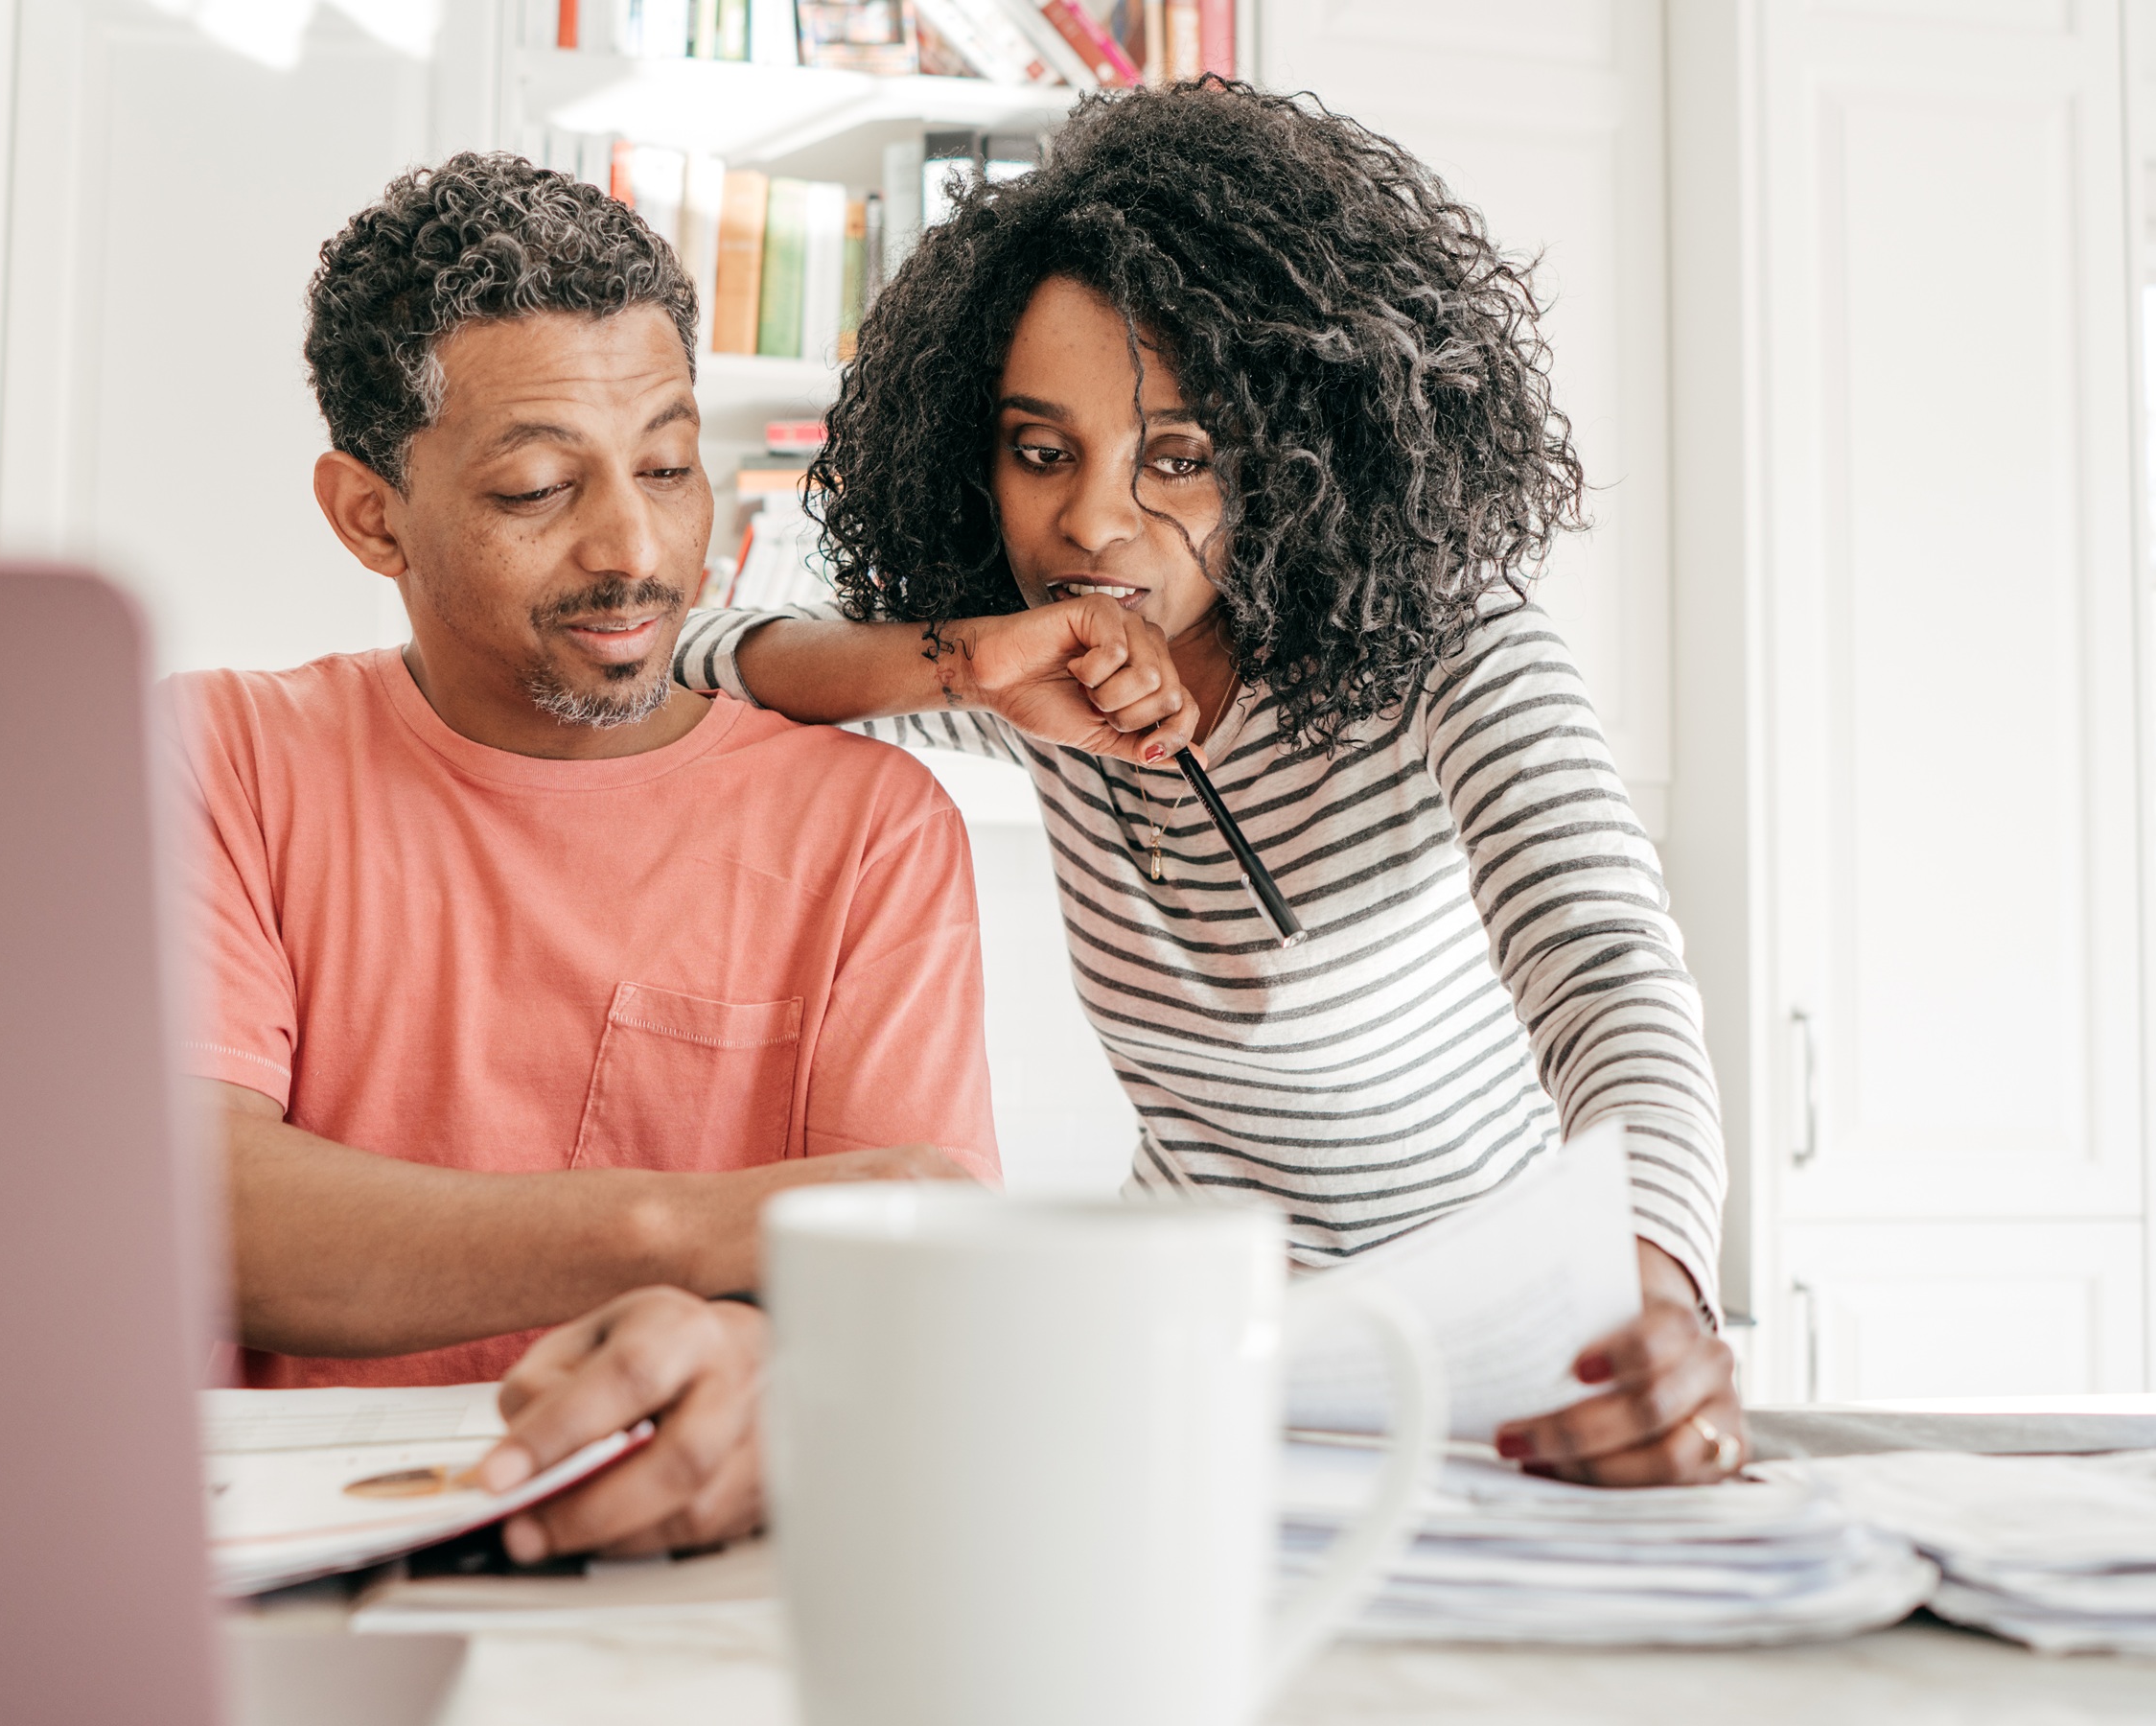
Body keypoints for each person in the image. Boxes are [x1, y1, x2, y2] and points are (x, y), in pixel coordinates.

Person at [673, 81, 1742, 1486]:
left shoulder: (1454, 652)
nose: (1091, 521)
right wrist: (973, 664)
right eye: (1038, 449)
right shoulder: (1044, 676)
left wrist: (1653, 1276)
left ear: (1301, 452)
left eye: (1177, 456)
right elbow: (698, 651)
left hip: (1490, 1357)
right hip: (1196, 1358)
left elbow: (1609, 970)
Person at [172, 154, 994, 1552]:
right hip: (279, 1561)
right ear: (372, 514)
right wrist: (686, 1232)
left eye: (670, 468)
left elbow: (904, 1290)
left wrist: (773, 1390)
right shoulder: (226, 760)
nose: (638, 548)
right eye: (540, 488)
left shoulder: (871, 834)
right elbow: (194, 1206)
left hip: (706, 1561)